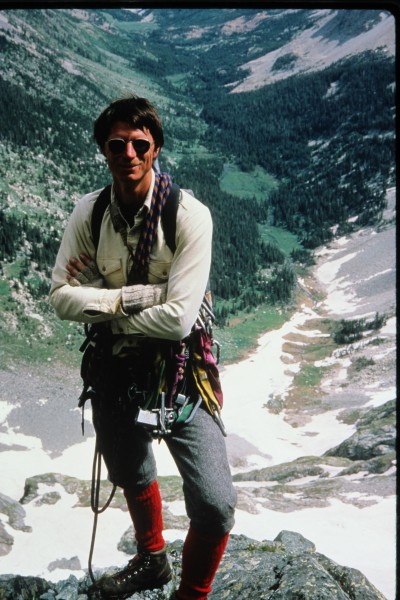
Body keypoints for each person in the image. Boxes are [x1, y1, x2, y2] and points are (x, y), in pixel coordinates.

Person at [50, 94, 236, 599]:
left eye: (139, 143)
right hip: (116, 371)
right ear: (104, 152)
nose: (127, 153)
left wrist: (104, 306)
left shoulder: (188, 216)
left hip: (182, 375)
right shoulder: (89, 214)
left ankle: (193, 594)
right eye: (116, 144)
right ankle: (152, 559)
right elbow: (60, 298)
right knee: (129, 469)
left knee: (216, 505)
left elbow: (178, 322)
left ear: (155, 149)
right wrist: (134, 297)